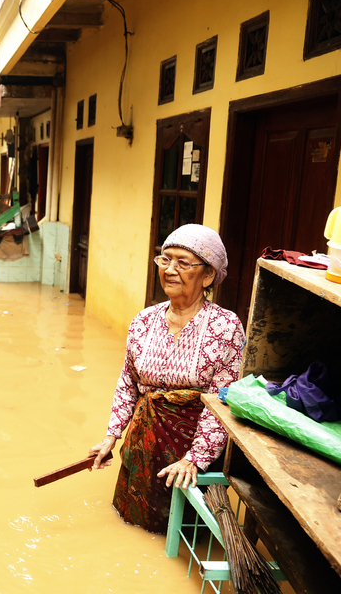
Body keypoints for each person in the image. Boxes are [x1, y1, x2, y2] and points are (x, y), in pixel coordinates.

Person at [89, 224, 245, 534]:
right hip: (143, 447)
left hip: (193, 449)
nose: (170, 270)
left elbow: (222, 402)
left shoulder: (226, 327)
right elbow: (127, 384)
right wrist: (111, 436)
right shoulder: (144, 321)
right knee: (132, 524)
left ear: (209, 275)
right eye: (165, 259)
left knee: (186, 530)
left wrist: (195, 459)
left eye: (183, 263)